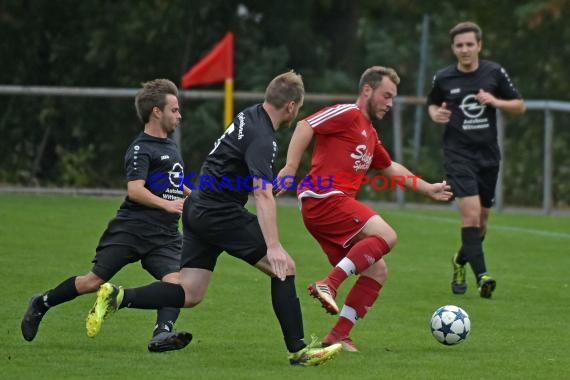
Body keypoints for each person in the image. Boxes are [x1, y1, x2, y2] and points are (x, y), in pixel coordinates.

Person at [84, 71, 343, 366]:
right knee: (284, 267)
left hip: (198, 208)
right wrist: (273, 246)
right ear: (292, 107)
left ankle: (117, 296)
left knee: (191, 292)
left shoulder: (249, 115)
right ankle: (299, 351)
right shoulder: (264, 137)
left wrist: (270, 186)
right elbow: (261, 196)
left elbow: (240, 173)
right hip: (220, 213)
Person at [275, 66, 453, 352]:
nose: (390, 103)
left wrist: (427, 188)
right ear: (367, 90)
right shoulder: (348, 113)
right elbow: (305, 125)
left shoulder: (369, 133)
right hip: (324, 196)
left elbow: (390, 167)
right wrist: (291, 166)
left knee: (377, 271)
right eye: (386, 95)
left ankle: (338, 336)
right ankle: (330, 284)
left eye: (393, 98)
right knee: (387, 235)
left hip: (325, 208)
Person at [21, 78, 193, 352]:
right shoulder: (140, 149)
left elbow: (172, 181)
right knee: (93, 282)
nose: (179, 115)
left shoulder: (171, 147)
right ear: (156, 112)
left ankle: (162, 333)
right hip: (132, 230)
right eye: (174, 110)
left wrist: (190, 195)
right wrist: (166, 205)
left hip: (164, 235)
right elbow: (135, 190)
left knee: (179, 284)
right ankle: (42, 302)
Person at [427, 21, 525, 298]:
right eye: (459, 45)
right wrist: (435, 114)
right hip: (458, 155)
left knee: (481, 223)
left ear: (479, 45)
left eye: (470, 44)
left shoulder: (494, 72)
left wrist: (496, 102)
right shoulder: (444, 78)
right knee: (469, 215)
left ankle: (459, 262)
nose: (465, 49)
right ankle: (483, 276)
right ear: (453, 49)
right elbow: (432, 104)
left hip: (488, 157)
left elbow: (519, 105)